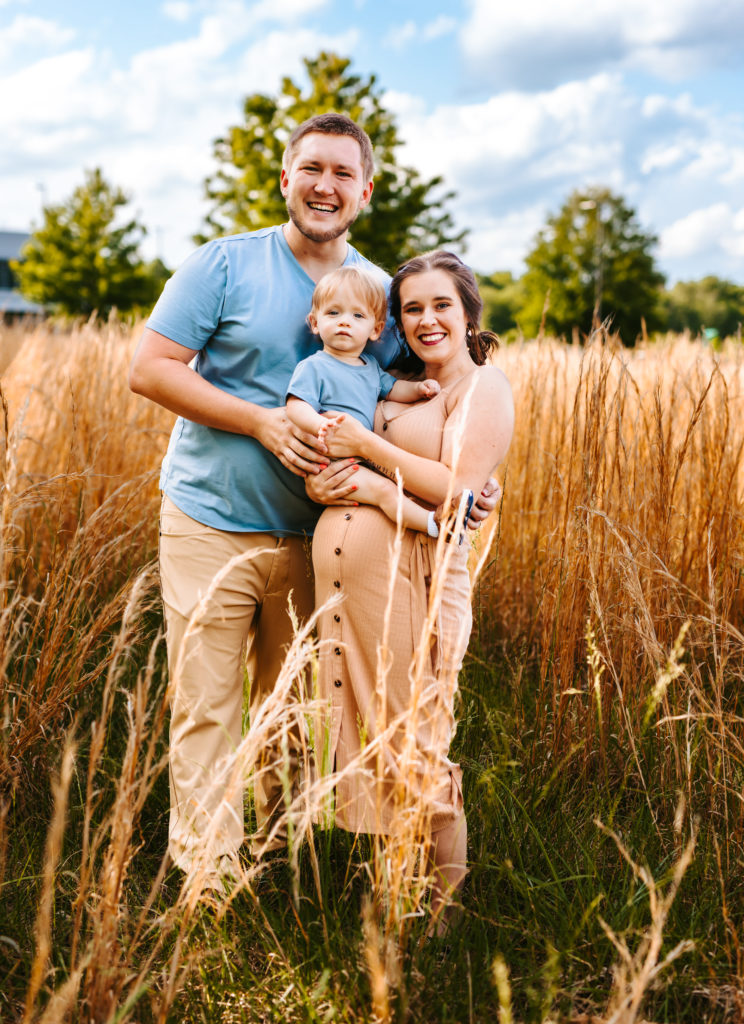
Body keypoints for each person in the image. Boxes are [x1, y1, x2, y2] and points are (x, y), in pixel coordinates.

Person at [128, 112, 500, 884]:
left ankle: (275, 868)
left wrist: (473, 471)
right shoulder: (223, 266)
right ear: (286, 177)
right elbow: (151, 369)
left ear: (364, 192)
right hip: (210, 524)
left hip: (311, 539)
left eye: (342, 174)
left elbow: (419, 396)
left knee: (290, 718)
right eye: (312, 169)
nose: (324, 186)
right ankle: (209, 885)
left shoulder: (375, 289)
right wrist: (264, 422)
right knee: (206, 709)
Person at [312, 250, 514, 930]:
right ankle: (396, 891)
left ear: (467, 313)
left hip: (426, 580)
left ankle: (445, 916)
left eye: (441, 305)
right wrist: (328, 478)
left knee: (422, 738)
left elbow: (456, 490)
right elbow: (336, 443)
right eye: (412, 308)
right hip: (363, 586)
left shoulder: (482, 387)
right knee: (380, 732)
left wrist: (371, 470)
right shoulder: (394, 381)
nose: (427, 320)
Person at [287, 264, 442, 533]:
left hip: (361, 457)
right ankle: (434, 526)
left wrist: (419, 390)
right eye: (333, 313)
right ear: (315, 322)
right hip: (334, 462)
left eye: (358, 315)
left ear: (376, 329)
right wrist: (317, 425)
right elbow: (296, 405)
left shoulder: (370, 366)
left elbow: (393, 389)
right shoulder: (314, 366)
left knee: (393, 487)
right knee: (385, 491)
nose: (344, 321)